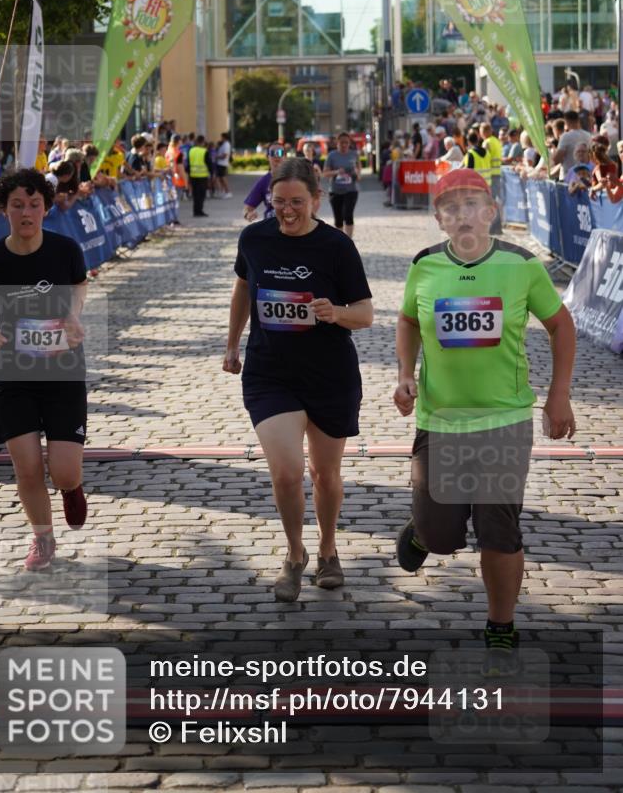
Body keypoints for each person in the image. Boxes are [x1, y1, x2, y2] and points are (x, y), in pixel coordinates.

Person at [394, 168, 576, 675]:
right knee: (442, 532)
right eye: (450, 208)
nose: (462, 215)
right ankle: (424, 534)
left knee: (498, 528)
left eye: (472, 204)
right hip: (439, 419)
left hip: (503, 419)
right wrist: (405, 376)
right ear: (439, 219)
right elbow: (408, 320)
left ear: (491, 211)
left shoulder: (520, 265)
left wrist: (558, 396)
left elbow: (561, 324)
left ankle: (501, 623)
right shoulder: (425, 266)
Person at [223, 157, 373, 602]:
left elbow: (365, 314)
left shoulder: (336, 248)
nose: (287, 211)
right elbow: (242, 289)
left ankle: (328, 549)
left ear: (317, 200)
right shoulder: (253, 238)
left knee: (325, 474)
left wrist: (335, 313)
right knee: (287, 474)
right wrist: (232, 344)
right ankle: (294, 555)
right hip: (271, 372)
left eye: (297, 203)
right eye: (279, 201)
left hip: (330, 374)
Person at [0, 169, 89, 571]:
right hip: (11, 377)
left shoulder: (66, 250)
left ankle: (71, 487)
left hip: (62, 373)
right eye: (18, 206)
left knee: (63, 472)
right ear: (4, 210)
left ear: (47, 209)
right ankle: (42, 540)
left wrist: (73, 315)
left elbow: (80, 285)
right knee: (28, 466)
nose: (26, 213)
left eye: (34, 205)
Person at [322, 131, 361, 239]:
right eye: (342, 142)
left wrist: (357, 173)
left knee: (348, 215)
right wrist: (337, 172)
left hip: (351, 190)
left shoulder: (354, 154)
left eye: (346, 143)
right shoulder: (332, 156)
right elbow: (324, 173)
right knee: (338, 218)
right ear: (337, 143)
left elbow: (358, 168)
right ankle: (341, 241)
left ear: (349, 143)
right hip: (335, 191)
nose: (344, 145)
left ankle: (349, 241)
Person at [243, 143, 286, 222]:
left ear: (285, 157)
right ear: (268, 157)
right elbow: (247, 208)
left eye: (280, 152)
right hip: (271, 226)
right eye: (273, 153)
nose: (277, 156)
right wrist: (248, 214)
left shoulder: (295, 178)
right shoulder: (264, 181)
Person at [552, 110, 592, 181]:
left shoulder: (565, 136)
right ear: (578, 120)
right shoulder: (588, 135)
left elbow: (556, 159)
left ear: (566, 122)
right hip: (585, 176)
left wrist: (553, 150)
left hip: (568, 177)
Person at [187, 134, 211, 217]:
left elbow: (188, 163)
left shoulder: (191, 150)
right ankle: (199, 211)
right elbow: (209, 164)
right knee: (201, 195)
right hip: (202, 176)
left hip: (193, 176)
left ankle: (195, 211)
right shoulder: (204, 151)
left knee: (195, 194)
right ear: (203, 142)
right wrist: (212, 174)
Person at [215, 132, 233, 198]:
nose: (221, 138)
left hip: (222, 163)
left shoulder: (226, 144)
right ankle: (223, 191)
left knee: (223, 178)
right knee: (220, 178)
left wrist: (217, 157)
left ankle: (228, 192)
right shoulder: (224, 144)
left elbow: (225, 155)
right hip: (220, 163)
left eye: (221, 137)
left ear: (224, 137)